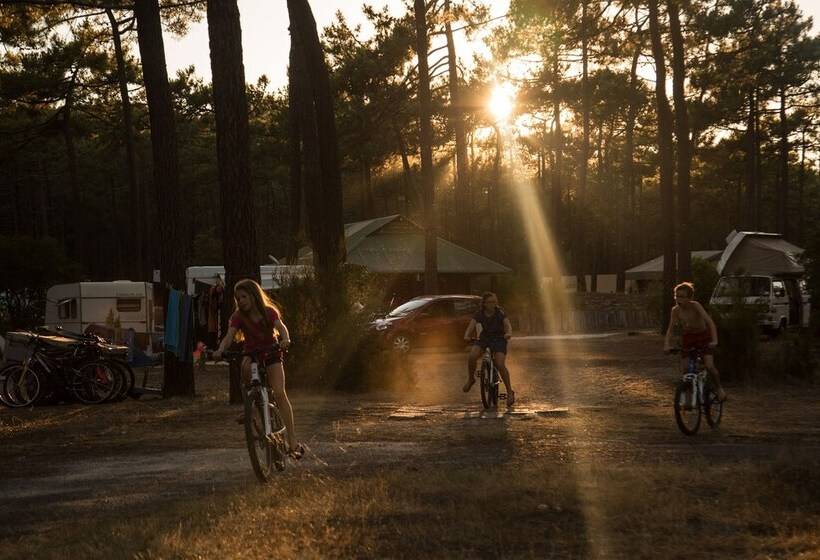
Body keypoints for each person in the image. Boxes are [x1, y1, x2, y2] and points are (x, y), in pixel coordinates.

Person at [213, 278, 304, 459]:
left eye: (244, 297)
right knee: (245, 366)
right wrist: (220, 350)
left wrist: (285, 339)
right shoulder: (238, 317)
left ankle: (292, 439)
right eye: (238, 298)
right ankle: (251, 403)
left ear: (254, 296)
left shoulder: (268, 312)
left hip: (271, 353)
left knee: (279, 392)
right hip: (252, 354)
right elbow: (229, 336)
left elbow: (281, 327)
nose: (241, 301)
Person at [663, 281, 727, 402]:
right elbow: (670, 329)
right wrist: (666, 344)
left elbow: (710, 323)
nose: (679, 299)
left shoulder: (695, 305)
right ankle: (688, 394)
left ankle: (719, 388)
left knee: (709, 365)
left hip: (703, 336)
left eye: (682, 296)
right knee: (686, 369)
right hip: (688, 337)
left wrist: (715, 341)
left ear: (689, 298)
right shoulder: (675, 310)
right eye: (677, 296)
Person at [463, 291, 515, 407]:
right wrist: (467, 335)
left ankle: (509, 392)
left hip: (499, 339)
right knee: (472, 356)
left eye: (495, 302)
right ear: (484, 304)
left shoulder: (500, 312)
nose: (493, 304)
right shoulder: (479, 313)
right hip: (485, 338)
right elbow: (471, 326)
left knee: (500, 364)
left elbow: (507, 325)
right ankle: (471, 379)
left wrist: (508, 333)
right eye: (491, 302)